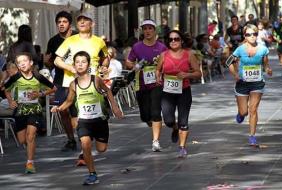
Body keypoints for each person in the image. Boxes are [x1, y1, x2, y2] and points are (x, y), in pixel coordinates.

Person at [51, 51, 123, 185]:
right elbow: (69, 101)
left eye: (83, 62)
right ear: (74, 65)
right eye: (77, 62)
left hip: (99, 120)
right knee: (85, 144)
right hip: (83, 121)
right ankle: (92, 174)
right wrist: (59, 108)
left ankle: (96, 140)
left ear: (88, 64)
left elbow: (107, 91)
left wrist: (115, 107)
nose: (80, 64)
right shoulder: (73, 84)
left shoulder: (95, 79)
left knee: (102, 149)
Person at [54, 11, 109, 164]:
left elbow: (106, 58)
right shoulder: (70, 40)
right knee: (76, 118)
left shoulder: (99, 42)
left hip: (93, 85)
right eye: (80, 20)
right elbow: (57, 60)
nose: (82, 22)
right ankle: (84, 150)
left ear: (92, 23)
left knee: (93, 115)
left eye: (86, 20)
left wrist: (104, 67)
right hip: (72, 84)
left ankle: (90, 141)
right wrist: (70, 68)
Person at [4, 52, 56, 173]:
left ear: (31, 63)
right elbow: (6, 90)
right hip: (20, 110)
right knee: (22, 140)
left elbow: (53, 88)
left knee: (30, 136)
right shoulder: (15, 77)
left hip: (34, 109)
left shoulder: (37, 76)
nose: (22, 64)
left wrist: (40, 94)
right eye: (19, 62)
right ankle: (30, 149)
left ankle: (30, 163)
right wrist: (11, 101)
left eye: (24, 61)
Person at [156, 30, 201, 157]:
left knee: (183, 120)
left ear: (181, 41)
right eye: (171, 39)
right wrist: (158, 77)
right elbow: (158, 70)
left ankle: (182, 147)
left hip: (184, 91)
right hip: (167, 92)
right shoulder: (164, 55)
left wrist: (187, 74)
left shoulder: (189, 55)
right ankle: (174, 127)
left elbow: (199, 73)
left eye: (176, 39)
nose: (173, 41)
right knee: (168, 120)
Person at [227, 24, 272, 146]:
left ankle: (252, 136)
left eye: (254, 34)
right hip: (242, 83)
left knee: (253, 109)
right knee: (244, 112)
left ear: (257, 35)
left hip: (257, 83)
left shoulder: (263, 49)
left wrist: (268, 69)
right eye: (248, 34)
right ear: (244, 36)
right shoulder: (240, 49)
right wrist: (235, 74)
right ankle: (240, 114)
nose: (252, 36)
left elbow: (266, 64)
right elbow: (228, 62)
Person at [126, 19, 167, 152]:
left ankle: (155, 141)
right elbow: (128, 62)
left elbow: (168, 62)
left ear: (155, 31)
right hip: (141, 84)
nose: (147, 31)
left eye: (150, 28)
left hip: (157, 83)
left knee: (156, 111)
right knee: (145, 116)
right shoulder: (137, 47)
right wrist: (135, 65)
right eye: (145, 29)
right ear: (142, 31)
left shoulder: (161, 47)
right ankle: (153, 123)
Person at [45, 11, 78, 152]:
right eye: (59, 22)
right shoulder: (53, 41)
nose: (61, 24)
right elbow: (48, 60)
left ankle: (83, 136)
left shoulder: (78, 37)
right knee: (62, 110)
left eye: (64, 22)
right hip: (60, 78)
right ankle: (71, 139)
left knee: (76, 110)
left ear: (69, 24)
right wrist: (47, 62)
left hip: (77, 77)